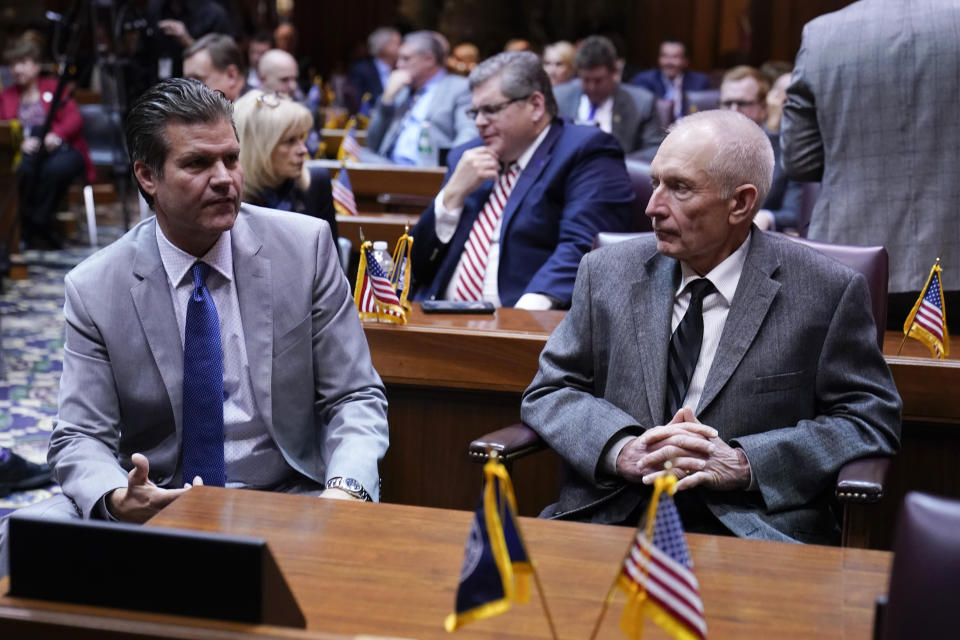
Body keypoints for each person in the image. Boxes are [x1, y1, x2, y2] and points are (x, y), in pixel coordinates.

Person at [0, 78, 388, 575]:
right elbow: (79, 435)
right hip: (161, 501)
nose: (225, 178)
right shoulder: (96, 286)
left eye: (231, 158)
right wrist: (118, 496)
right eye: (198, 163)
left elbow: (354, 397)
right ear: (147, 176)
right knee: (21, 538)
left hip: (291, 496)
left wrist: (345, 490)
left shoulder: (304, 247)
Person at [521, 109, 901, 543]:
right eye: (655, 183)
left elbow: (869, 420)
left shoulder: (825, 290)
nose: (652, 208)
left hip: (749, 529)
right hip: (612, 515)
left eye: (679, 188)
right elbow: (551, 389)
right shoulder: (606, 271)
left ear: (740, 202)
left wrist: (745, 462)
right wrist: (620, 448)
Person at [781, 0, 960, 329]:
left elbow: (799, 159)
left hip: (851, 257)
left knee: (851, 379)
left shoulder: (821, 33)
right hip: (954, 253)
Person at [410, 51, 634, 309]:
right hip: (438, 318)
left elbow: (583, 247)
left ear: (536, 106)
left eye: (491, 110)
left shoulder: (586, 150)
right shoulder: (467, 157)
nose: (480, 123)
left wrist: (525, 316)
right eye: (475, 113)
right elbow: (418, 265)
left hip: (525, 321)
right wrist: (451, 196)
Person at [0, 37, 95, 249]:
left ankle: (36, 223)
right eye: (13, 64)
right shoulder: (7, 96)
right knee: (22, 171)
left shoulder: (54, 87)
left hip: (61, 148)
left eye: (22, 62)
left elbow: (74, 119)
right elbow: (4, 127)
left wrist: (56, 135)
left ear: (35, 65)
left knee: (54, 169)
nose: (17, 69)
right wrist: (21, 142)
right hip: (27, 152)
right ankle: (29, 228)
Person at [233, 89, 336, 240]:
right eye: (290, 141)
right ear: (258, 148)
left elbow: (331, 260)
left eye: (301, 138)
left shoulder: (317, 184)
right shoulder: (229, 196)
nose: (303, 150)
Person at [365, 30, 476, 166]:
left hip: (428, 172)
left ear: (429, 59)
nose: (399, 65)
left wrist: (452, 168)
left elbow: (468, 134)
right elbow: (372, 143)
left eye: (406, 58)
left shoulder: (459, 88)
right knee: (350, 154)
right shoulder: (402, 90)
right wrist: (386, 100)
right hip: (389, 166)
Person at [719, 65, 802, 233]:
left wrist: (767, 217)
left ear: (765, 107)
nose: (734, 111)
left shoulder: (789, 150)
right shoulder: (703, 146)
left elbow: (794, 213)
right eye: (727, 103)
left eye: (743, 103)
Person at [553, 35, 662, 158]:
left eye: (598, 80)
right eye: (586, 80)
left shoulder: (642, 103)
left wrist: (622, 164)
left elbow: (656, 149)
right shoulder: (559, 97)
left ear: (614, 73)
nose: (591, 87)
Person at [631, 40, 709, 120]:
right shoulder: (644, 80)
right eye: (664, 56)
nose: (669, 62)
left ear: (685, 61)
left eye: (675, 57)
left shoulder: (699, 82)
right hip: (657, 130)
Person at [182, 33, 247, 102]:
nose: (188, 91)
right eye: (187, 82)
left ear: (231, 76)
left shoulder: (256, 109)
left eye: (197, 80)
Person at [348, 26, 401, 106]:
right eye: (398, 44)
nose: (401, 47)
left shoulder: (402, 69)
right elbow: (358, 102)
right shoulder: (362, 69)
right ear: (383, 46)